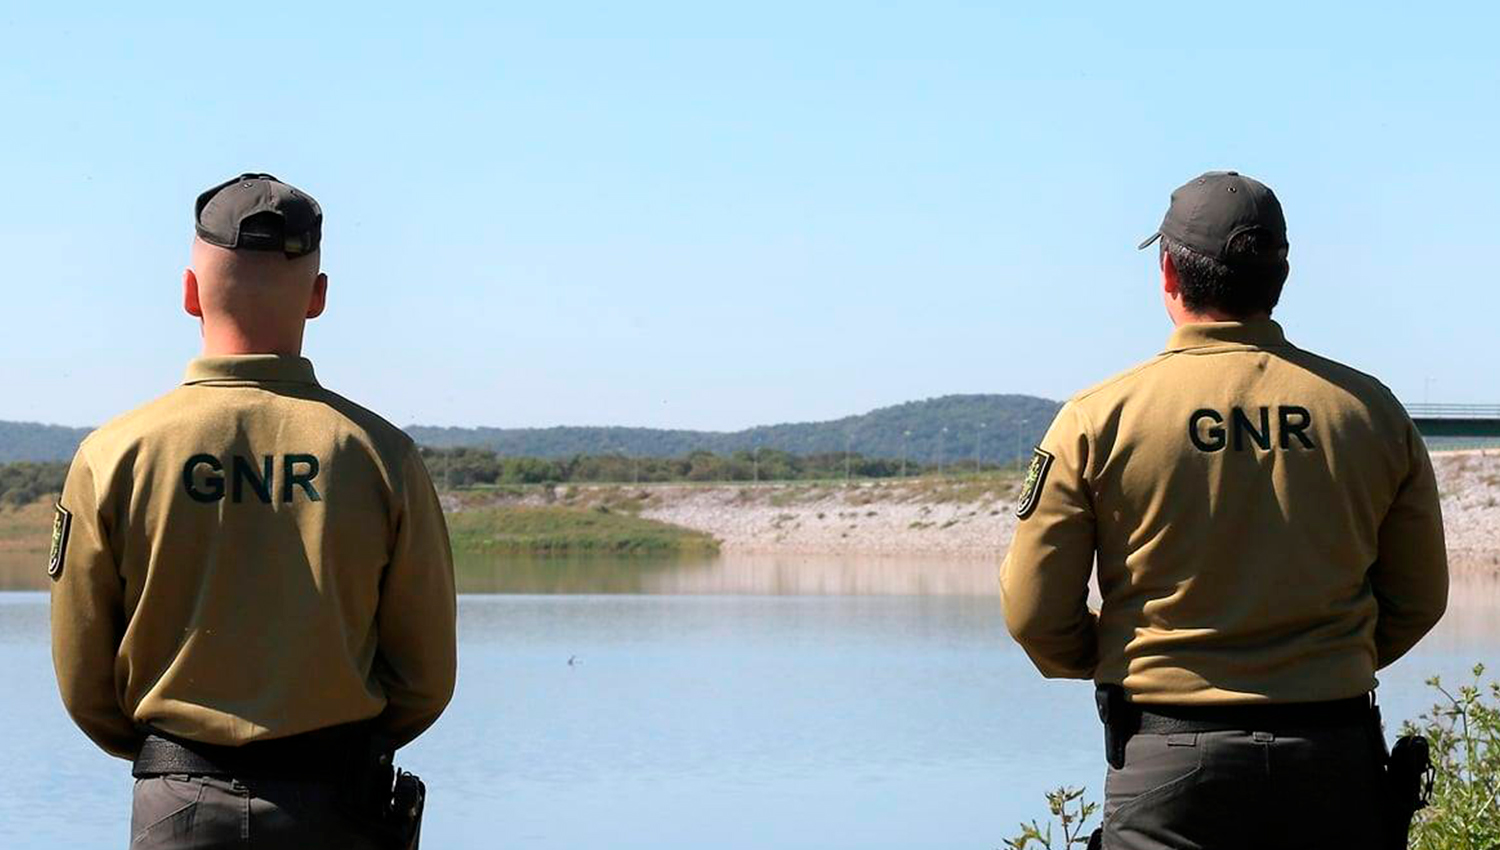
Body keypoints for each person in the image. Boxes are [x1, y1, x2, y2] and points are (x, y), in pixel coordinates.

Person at [1000, 171, 1448, 849]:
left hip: (1166, 761)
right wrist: (1322, 661)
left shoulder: (1099, 419)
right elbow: (1419, 599)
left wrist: (1125, 657)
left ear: (1169, 276)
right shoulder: (1370, 411)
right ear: (1280, 277)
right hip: (1334, 757)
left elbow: (1034, 614)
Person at [49, 173, 458, 849]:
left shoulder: (112, 455)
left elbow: (84, 682)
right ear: (319, 297)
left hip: (176, 801)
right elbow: (425, 680)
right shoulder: (383, 456)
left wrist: (175, 756)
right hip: (336, 805)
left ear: (189, 293)